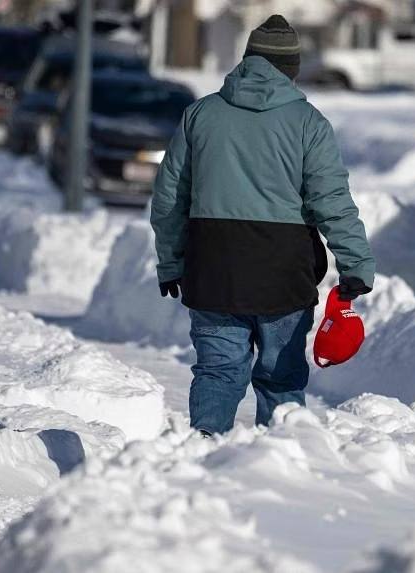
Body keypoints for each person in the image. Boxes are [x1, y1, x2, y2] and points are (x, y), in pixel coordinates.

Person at [150, 15, 375, 436]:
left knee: (218, 373)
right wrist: (356, 264)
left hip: (214, 272)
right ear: (291, 69)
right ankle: (278, 471)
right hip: (283, 277)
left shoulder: (200, 115)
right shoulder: (309, 123)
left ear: (247, 62)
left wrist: (170, 261)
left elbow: (169, 200)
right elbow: (332, 203)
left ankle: (199, 463)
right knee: (281, 380)